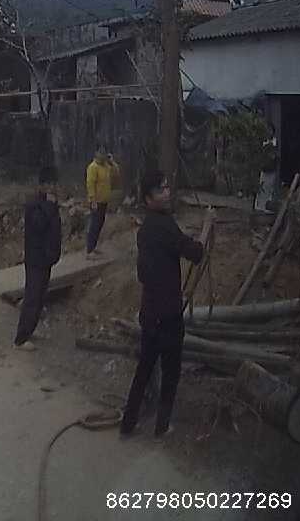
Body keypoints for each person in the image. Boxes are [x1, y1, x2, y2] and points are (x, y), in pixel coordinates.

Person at [120, 171, 207, 439]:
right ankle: (162, 426)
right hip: (168, 316)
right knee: (171, 371)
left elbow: (149, 268)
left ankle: (128, 424)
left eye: (167, 187)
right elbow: (195, 253)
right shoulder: (165, 225)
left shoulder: (146, 229)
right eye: (160, 190)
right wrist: (206, 229)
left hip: (150, 313)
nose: (167, 193)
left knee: (144, 369)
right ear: (148, 199)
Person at [15, 165, 62, 351]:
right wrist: (49, 205)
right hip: (35, 259)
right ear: (41, 185)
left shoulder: (51, 203)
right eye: (48, 184)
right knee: (32, 298)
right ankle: (20, 338)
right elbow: (38, 224)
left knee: (41, 297)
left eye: (54, 184)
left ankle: (30, 330)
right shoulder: (34, 204)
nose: (52, 187)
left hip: (46, 258)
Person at [85, 146, 119, 259]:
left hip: (104, 200)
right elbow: (90, 184)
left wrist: (112, 162)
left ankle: (94, 246)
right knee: (94, 225)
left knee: (100, 224)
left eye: (104, 153)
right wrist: (92, 199)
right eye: (101, 153)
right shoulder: (93, 167)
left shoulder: (106, 166)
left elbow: (116, 174)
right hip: (96, 201)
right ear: (96, 153)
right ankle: (89, 250)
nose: (103, 155)